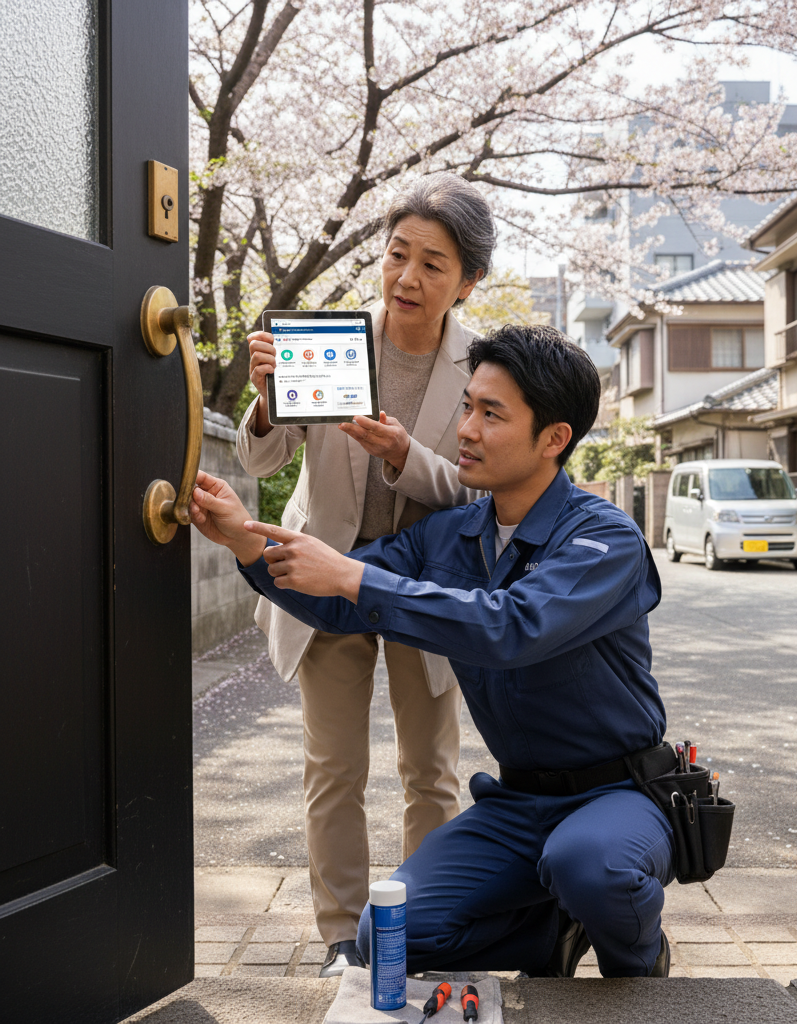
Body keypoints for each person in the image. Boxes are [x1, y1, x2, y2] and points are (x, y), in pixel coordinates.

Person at [195, 325, 675, 978]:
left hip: (617, 795)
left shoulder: (603, 539)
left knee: (591, 868)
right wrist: (245, 542)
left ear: (554, 439)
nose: (467, 430)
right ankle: (550, 937)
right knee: (383, 934)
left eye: (491, 414)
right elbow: (339, 600)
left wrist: (352, 575)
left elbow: (512, 627)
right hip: (519, 807)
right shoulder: (450, 536)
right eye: (467, 407)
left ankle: (640, 961)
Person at [236, 173, 494, 975]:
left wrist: (405, 458)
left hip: (426, 588)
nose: (408, 278)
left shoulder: (483, 368)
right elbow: (262, 457)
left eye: (433, 264)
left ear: (467, 281)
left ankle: (425, 926)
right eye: (397, 255)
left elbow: (479, 488)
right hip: (326, 574)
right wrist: (270, 400)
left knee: (430, 771)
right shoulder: (334, 345)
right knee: (334, 768)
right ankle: (342, 937)